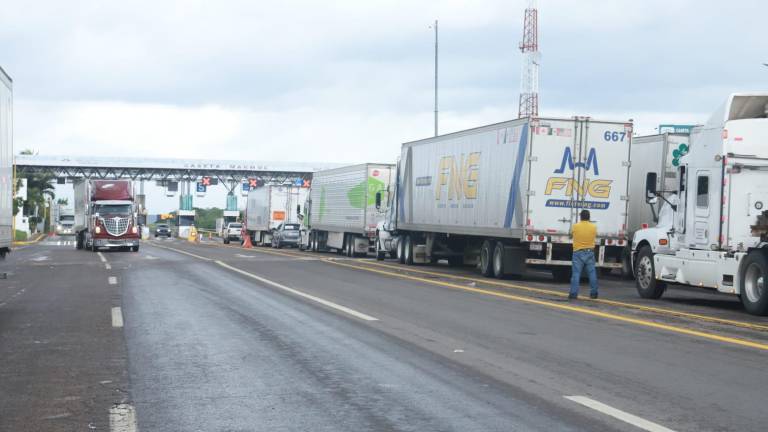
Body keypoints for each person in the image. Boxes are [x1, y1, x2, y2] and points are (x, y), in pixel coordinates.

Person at [569, 209, 598, 300]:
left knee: (576, 274)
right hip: (590, 252)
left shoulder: (575, 226)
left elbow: (570, 235)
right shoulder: (594, 227)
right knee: (592, 273)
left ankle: (573, 294)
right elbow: (595, 235)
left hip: (578, 252)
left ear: (580, 217)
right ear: (589, 217)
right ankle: (594, 293)